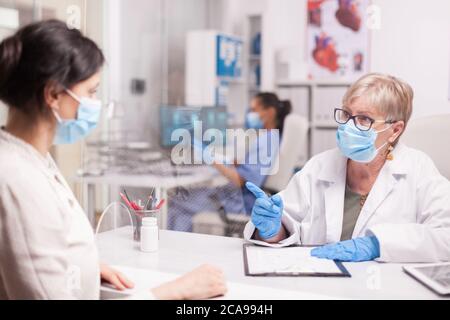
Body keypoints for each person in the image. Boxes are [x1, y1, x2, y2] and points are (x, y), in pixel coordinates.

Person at [0, 20, 227, 300]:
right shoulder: (18, 180)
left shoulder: (30, 158)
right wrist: (175, 292)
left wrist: (82, 268)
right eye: (92, 92)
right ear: (54, 94)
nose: (96, 103)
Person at [244, 73, 450, 263]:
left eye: (364, 119)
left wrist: (378, 245)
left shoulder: (418, 170)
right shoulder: (320, 166)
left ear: (395, 130)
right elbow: (288, 225)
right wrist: (272, 231)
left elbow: (446, 237)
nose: (348, 126)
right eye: (346, 115)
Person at [168, 93, 291, 232]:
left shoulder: (266, 141)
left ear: (270, 112)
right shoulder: (271, 138)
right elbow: (253, 170)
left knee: (178, 202)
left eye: (254, 110)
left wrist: (211, 159)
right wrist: (236, 163)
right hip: (235, 197)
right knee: (191, 196)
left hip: (238, 202)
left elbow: (242, 181)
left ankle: (171, 247)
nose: (250, 114)